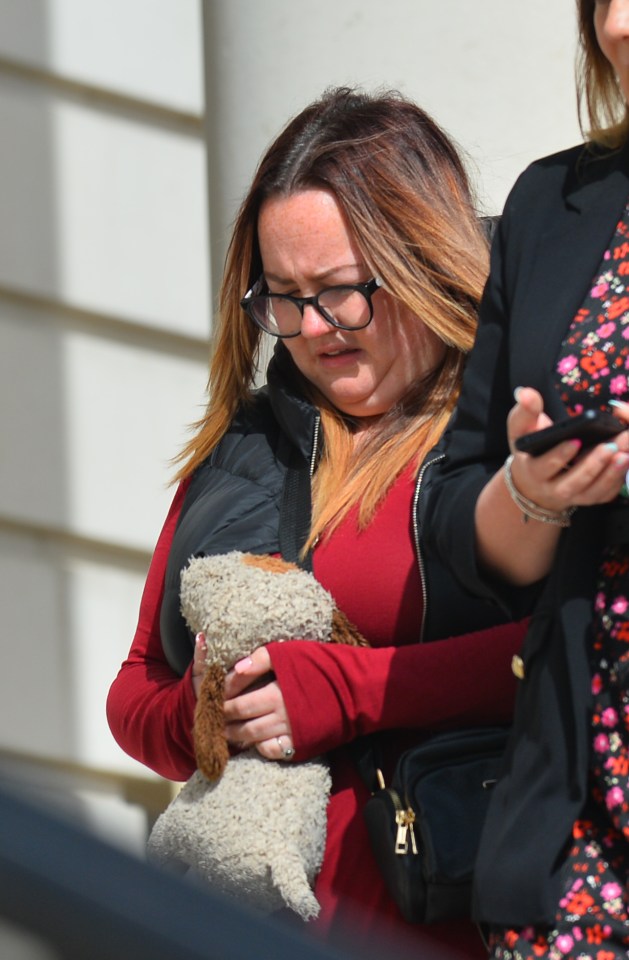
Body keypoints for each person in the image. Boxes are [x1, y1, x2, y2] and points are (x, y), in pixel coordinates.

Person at [106, 86, 526, 955]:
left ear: (423, 263)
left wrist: (351, 692)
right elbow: (135, 690)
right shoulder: (244, 448)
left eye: (340, 292)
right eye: (282, 299)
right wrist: (211, 711)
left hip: (467, 918)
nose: (312, 329)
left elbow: (577, 648)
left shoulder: (514, 426)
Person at [422, 2, 629, 957]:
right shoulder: (551, 205)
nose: (619, 23)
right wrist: (536, 489)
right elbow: (469, 524)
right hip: (579, 802)